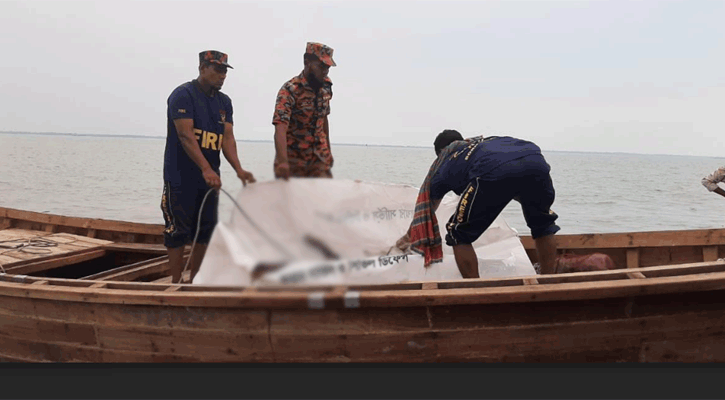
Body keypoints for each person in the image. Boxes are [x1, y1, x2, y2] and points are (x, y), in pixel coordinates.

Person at [396, 130, 560, 277]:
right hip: (535, 159)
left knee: (457, 233)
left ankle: (475, 289)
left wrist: (408, 237)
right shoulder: (483, 143)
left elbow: (426, 210)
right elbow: (515, 174)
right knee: (542, 224)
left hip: (492, 168)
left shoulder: (446, 161)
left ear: (440, 153)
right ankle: (548, 280)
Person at [161, 50, 256, 283]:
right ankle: (175, 281)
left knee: (206, 231)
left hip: (210, 180)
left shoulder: (224, 103)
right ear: (202, 68)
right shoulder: (183, 95)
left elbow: (228, 138)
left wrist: (239, 169)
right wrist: (205, 168)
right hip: (180, 177)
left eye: (225, 71)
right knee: (178, 232)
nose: (222, 76)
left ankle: (195, 279)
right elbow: (185, 136)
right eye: (217, 70)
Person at [272, 42, 336, 180]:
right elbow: (280, 129)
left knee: (324, 198)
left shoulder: (326, 87)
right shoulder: (290, 90)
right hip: (293, 160)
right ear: (306, 61)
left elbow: (323, 120)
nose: (325, 71)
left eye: (327, 67)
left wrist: (328, 152)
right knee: (291, 201)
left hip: (319, 160)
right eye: (321, 66)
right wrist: (283, 162)